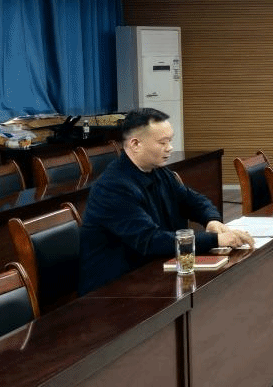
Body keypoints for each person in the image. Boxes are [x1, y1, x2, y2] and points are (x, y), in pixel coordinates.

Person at [79, 109, 254, 295]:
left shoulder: (159, 172)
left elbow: (193, 201)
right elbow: (150, 240)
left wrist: (211, 220)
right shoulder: (113, 187)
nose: (170, 148)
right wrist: (215, 240)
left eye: (170, 141)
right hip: (113, 290)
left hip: (151, 274)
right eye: (163, 142)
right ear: (135, 144)